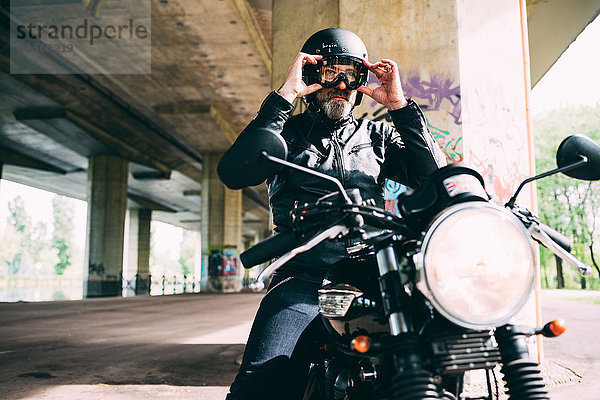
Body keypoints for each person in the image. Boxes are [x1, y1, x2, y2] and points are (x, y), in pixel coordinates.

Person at [220, 28, 447, 399]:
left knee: (432, 358)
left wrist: (400, 107)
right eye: (330, 73)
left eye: (351, 75)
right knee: (259, 381)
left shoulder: (379, 136)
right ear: (312, 75)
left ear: (361, 81)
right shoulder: (284, 136)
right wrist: (284, 96)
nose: (340, 84)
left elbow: (435, 178)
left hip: (375, 276)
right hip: (304, 279)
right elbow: (234, 170)